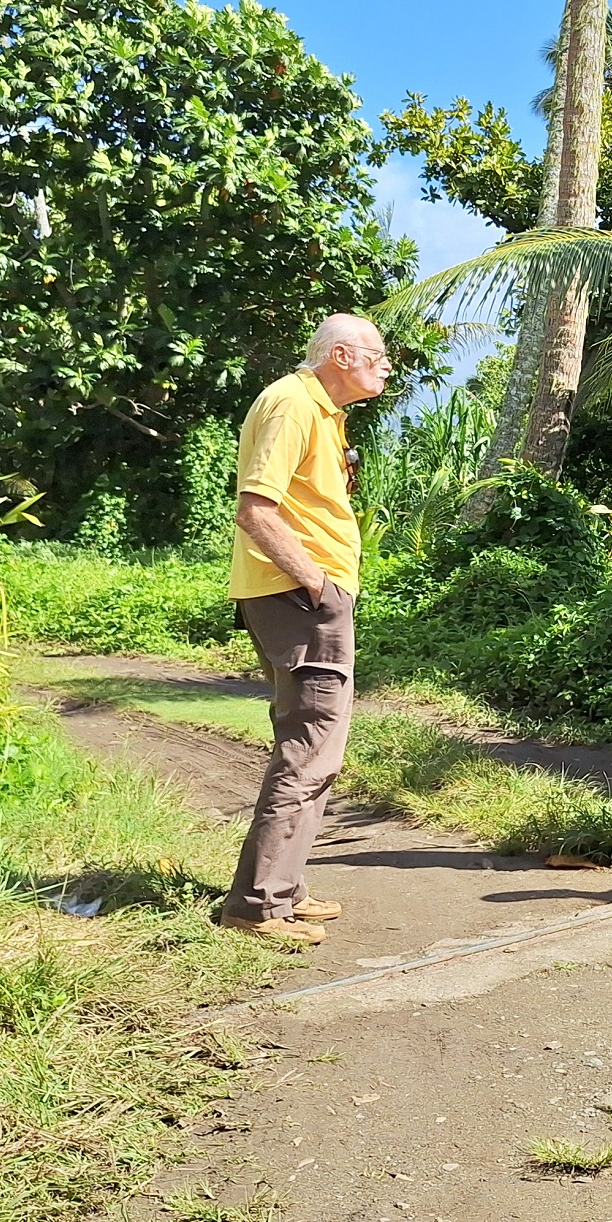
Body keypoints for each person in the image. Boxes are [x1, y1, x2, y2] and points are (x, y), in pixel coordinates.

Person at [215, 312, 394, 947]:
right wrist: (316, 585)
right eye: (377, 354)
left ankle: (283, 888)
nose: (387, 364)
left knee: (318, 747)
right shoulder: (293, 404)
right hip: (299, 598)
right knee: (311, 744)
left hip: (301, 596)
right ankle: (258, 904)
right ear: (342, 355)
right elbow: (254, 509)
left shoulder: (321, 412)